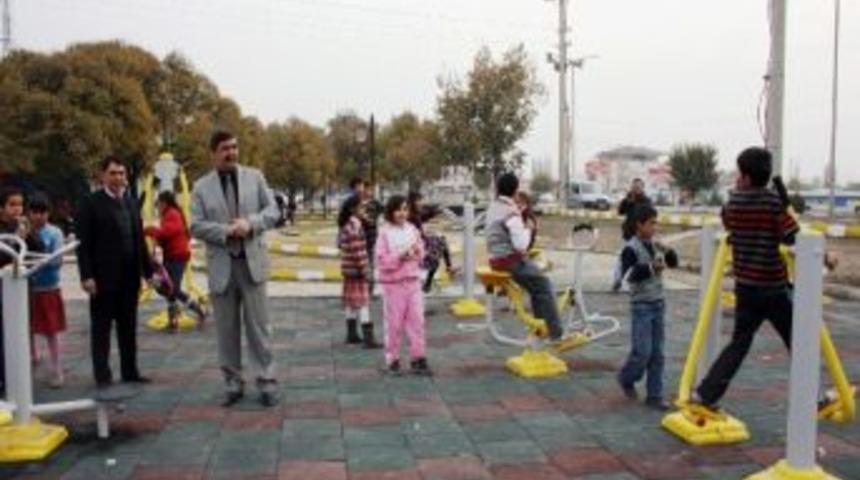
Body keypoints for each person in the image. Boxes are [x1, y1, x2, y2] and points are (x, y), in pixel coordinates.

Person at [691, 147, 802, 410]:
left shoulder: (734, 203)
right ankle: (813, 395)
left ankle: (706, 393)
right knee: (799, 340)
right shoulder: (773, 203)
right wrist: (786, 205)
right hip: (773, 287)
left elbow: (728, 220)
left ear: (746, 177)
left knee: (739, 343)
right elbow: (791, 235)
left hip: (746, 287)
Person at [190, 130, 280, 407]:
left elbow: (273, 211)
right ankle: (232, 383)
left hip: (252, 265)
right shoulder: (200, 187)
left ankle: (266, 382)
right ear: (213, 153)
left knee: (259, 328)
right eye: (225, 148)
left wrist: (251, 223)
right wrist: (226, 231)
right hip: (221, 269)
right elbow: (195, 225)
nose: (231, 152)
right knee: (226, 331)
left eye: (234, 147)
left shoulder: (255, 177)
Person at [76, 157, 155, 388]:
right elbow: (83, 243)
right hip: (102, 280)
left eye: (121, 173)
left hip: (129, 279)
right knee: (101, 329)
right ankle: (103, 376)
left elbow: (140, 240)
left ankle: (130, 371)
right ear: (102, 176)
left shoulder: (131, 203)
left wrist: (148, 272)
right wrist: (86, 275)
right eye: (113, 173)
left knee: (128, 328)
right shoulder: (90, 203)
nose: (118, 178)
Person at [486, 173, 565, 343]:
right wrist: (528, 228)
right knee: (543, 284)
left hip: (495, 259)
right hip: (509, 261)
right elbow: (521, 245)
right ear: (515, 189)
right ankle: (556, 333)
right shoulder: (511, 212)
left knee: (536, 287)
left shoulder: (493, 207)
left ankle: (540, 328)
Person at [617, 204, 679, 411]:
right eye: (651, 223)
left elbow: (673, 264)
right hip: (641, 306)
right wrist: (652, 268)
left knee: (658, 353)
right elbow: (627, 277)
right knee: (642, 352)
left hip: (658, 303)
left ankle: (655, 395)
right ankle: (626, 377)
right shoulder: (630, 248)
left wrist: (668, 251)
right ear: (639, 225)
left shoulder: (655, 245)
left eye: (656, 222)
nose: (655, 227)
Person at [376, 194, 431, 376]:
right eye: (398, 209)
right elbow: (382, 260)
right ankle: (392, 359)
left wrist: (416, 252)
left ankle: (418, 358)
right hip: (394, 286)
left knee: (417, 322)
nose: (402, 213)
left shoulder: (412, 229)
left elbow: (421, 250)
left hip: (413, 282)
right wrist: (400, 257)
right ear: (391, 211)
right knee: (394, 324)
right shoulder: (384, 233)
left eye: (405, 209)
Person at [0, 186, 45, 395]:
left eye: (20, 205)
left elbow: (40, 250)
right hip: (3, 292)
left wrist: (27, 235)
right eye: (12, 205)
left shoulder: (24, 227)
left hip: (22, 290)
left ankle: (18, 382)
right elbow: (6, 257)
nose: (17, 210)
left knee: (21, 334)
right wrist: (16, 237)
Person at [144, 191, 207, 332]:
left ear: (164, 203)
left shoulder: (172, 214)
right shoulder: (168, 214)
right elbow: (165, 236)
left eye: (158, 204)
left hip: (177, 256)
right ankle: (176, 319)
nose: (157, 208)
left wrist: (150, 230)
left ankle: (195, 311)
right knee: (168, 288)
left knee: (173, 289)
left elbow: (167, 232)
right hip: (172, 255)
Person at [27, 195, 67, 387]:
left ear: (48, 213)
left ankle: (56, 369)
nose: (38, 217)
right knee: (27, 328)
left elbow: (57, 260)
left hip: (48, 287)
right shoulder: (24, 232)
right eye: (34, 212)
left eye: (42, 212)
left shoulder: (54, 233)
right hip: (29, 288)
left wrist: (40, 258)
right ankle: (33, 356)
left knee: (51, 331)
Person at [337, 195, 381, 349]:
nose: (364, 210)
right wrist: (366, 270)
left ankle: (351, 334)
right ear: (353, 209)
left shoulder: (347, 225)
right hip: (357, 271)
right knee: (363, 303)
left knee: (350, 302)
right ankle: (368, 338)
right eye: (361, 207)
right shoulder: (355, 226)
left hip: (348, 270)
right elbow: (359, 252)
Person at [406, 192, 458, 293]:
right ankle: (446, 270)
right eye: (418, 201)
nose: (420, 203)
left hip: (423, 242)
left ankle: (447, 270)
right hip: (419, 245)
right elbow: (422, 219)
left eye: (420, 200)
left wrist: (436, 211)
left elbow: (425, 216)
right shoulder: (411, 216)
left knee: (440, 244)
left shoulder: (415, 214)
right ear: (412, 202)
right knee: (437, 253)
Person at [614, 178, 653, 291]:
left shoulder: (646, 201)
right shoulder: (628, 199)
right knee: (622, 258)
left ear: (642, 188)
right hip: (628, 234)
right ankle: (617, 280)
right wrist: (627, 201)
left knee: (642, 259)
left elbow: (650, 215)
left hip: (641, 235)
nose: (636, 189)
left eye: (638, 187)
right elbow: (620, 211)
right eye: (634, 187)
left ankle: (639, 283)